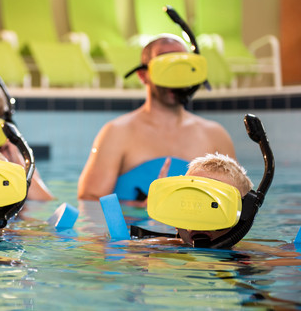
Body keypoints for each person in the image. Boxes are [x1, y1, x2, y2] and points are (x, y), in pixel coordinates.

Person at [78, 35, 236, 205]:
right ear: (143, 75)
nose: (174, 77)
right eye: (165, 67)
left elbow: (236, 202)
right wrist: (141, 207)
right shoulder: (116, 132)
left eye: (180, 67)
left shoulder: (215, 135)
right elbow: (89, 200)